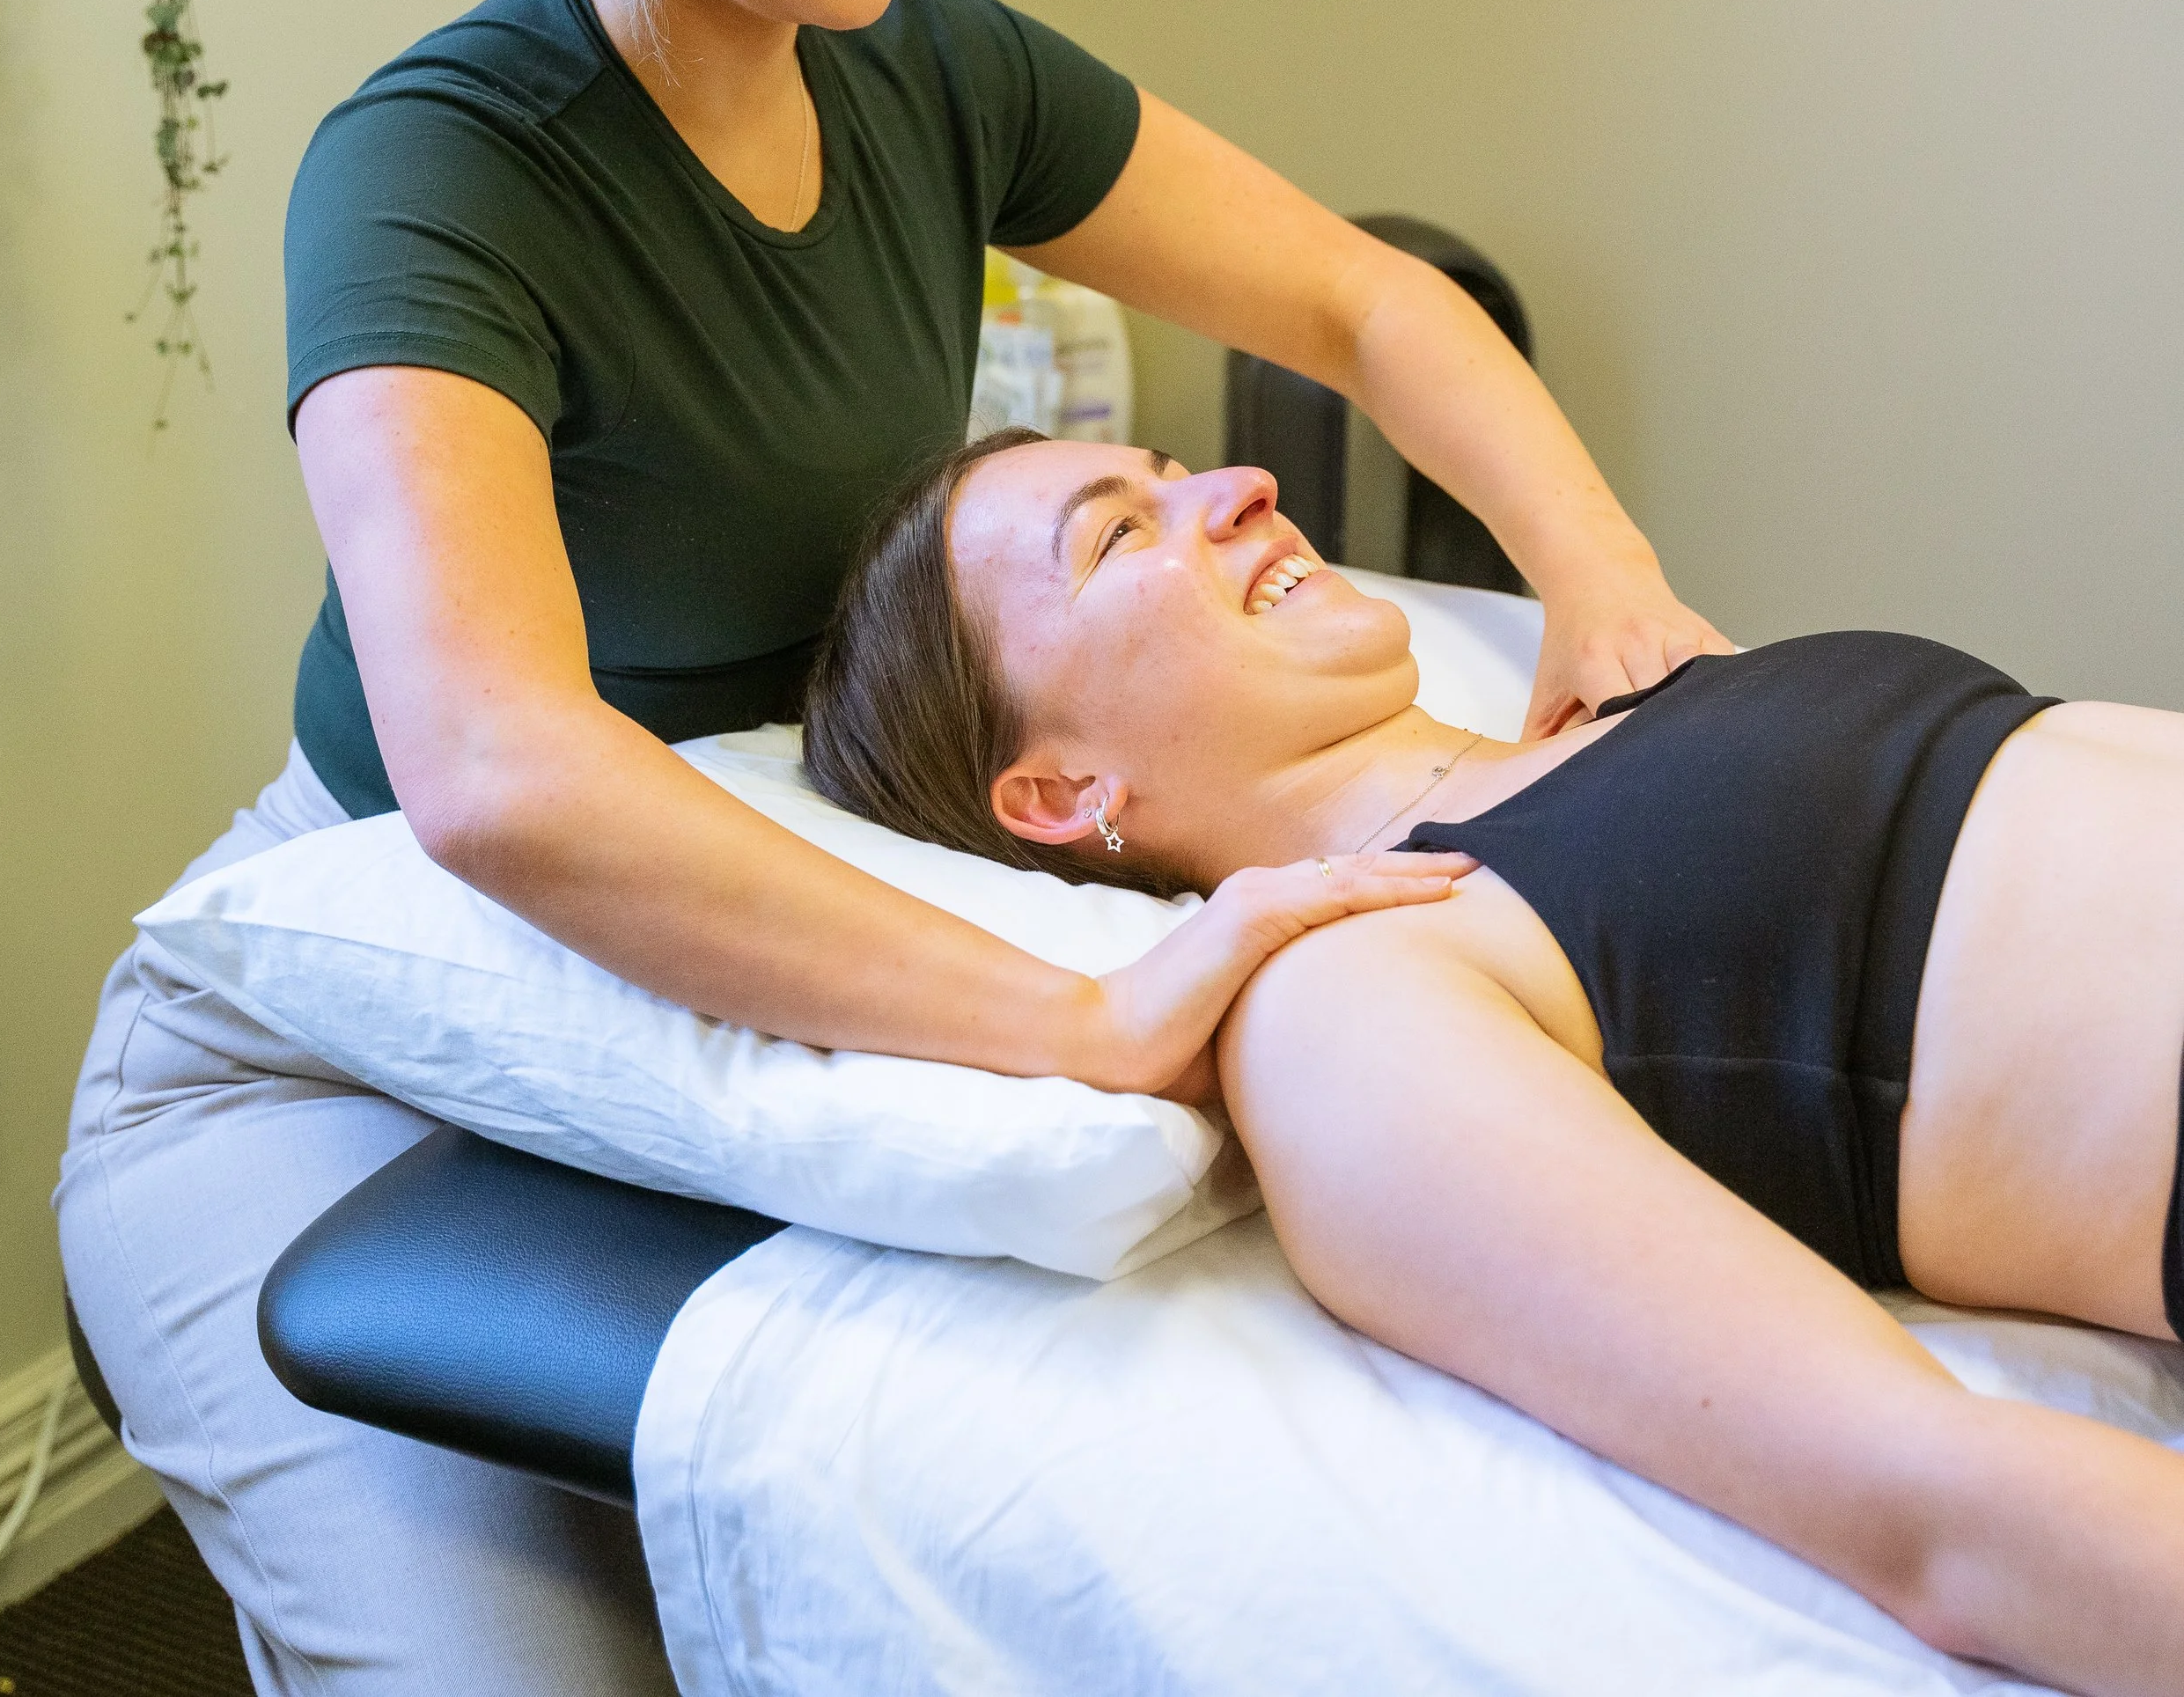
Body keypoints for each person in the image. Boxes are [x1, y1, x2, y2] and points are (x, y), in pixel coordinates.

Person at [57, 0, 1723, 1697]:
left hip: (753, 953)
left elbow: (1357, 292)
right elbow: (504, 774)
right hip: (322, 1063)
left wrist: (1609, 590)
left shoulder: (924, 66)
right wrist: (1077, 1014)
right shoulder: (438, 172)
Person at [803, 428, 2184, 1697]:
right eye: (1118, 533)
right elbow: (1936, 1509)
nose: (1238, 489)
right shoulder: (1347, 998)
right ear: (1064, 793)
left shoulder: (1629, 696)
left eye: (1174, 469)